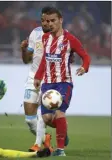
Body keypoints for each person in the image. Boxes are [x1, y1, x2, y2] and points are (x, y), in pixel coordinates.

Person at [34, 7, 91, 156]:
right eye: (47, 21)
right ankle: (63, 131)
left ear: (60, 20)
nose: (50, 23)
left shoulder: (69, 39)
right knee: (47, 118)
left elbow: (85, 56)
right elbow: (44, 61)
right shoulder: (45, 38)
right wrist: (38, 77)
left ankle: (60, 150)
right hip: (47, 84)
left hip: (64, 83)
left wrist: (85, 67)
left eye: (53, 20)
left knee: (59, 113)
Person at [20, 7, 75, 152]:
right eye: (43, 20)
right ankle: (50, 137)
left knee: (42, 114)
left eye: (48, 20)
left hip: (51, 79)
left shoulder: (64, 35)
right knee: (30, 120)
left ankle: (39, 145)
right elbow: (27, 60)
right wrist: (23, 50)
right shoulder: (35, 33)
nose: (45, 23)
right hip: (33, 78)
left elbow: (71, 56)